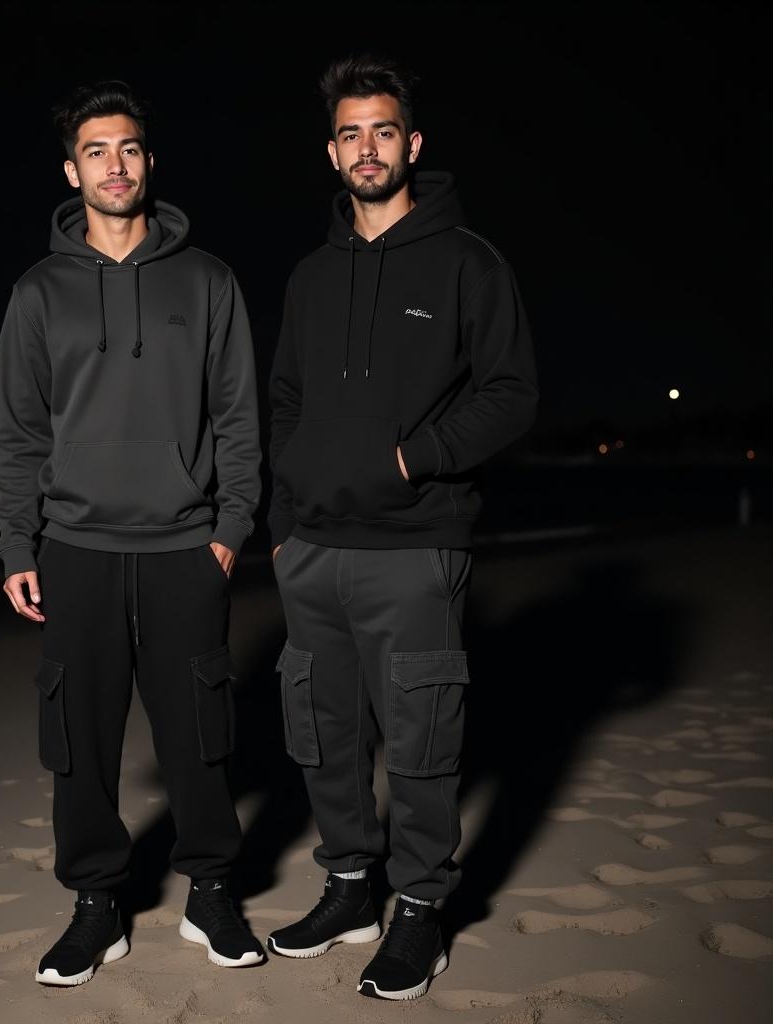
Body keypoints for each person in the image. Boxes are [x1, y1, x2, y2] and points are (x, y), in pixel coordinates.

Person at [266, 56, 537, 1001]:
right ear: (332, 150)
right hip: (312, 555)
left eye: (384, 130)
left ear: (412, 144)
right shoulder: (309, 275)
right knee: (323, 736)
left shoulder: (468, 261)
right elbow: (286, 400)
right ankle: (349, 888)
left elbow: (511, 397)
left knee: (422, 743)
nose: (367, 147)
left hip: (417, 546)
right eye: (350, 133)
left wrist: (410, 460)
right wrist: (282, 523)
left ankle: (421, 911)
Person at [0, 80, 264, 986]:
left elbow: (237, 419)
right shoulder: (38, 294)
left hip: (186, 545)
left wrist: (229, 527)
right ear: (72, 171)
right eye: (97, 152)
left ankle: (213, 891)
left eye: (131, 149)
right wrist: (17, 546)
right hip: (75, 548)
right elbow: (21, 432)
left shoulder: (208, 280)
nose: (116, 165)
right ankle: (97, 905)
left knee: (200, 730)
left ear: (151, 161)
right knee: (79, 738)